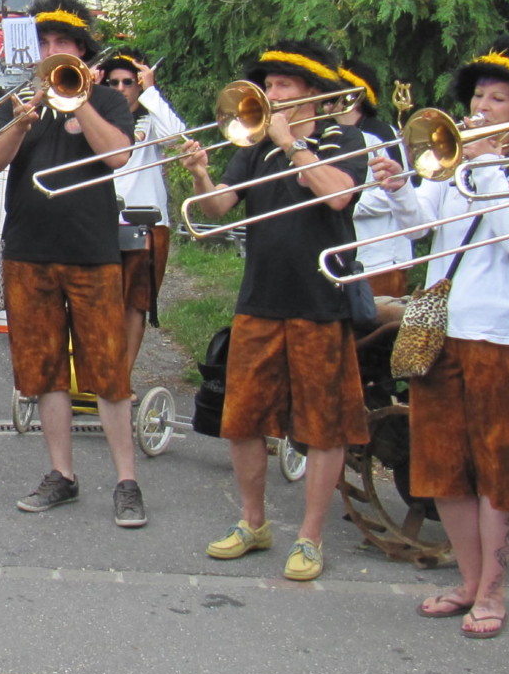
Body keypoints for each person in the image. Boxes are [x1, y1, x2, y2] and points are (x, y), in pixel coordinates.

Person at [372, 37, 509, 637]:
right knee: (442, 463)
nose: (480, 107)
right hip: (439, 325)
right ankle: (469, 581)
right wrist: (399, 189)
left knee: (502, 469)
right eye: (478, 95)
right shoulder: (452, 159)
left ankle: (494, 592)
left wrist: (484, 163)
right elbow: (422, 226)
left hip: (507, 335)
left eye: (497, 98)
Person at [181, 40, 370, 580]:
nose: (271, 93)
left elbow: (339, 196)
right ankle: (253, 522)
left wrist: (292, 145)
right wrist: (200, 174)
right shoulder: (256, 142)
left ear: (312, 91)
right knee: (242, 418)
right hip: (260, 298)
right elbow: (218, 207)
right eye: (268, 84)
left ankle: (310, 537)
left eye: (283, 84)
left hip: (321, 301)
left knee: (323, 426)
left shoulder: (342, 137)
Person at [0, 0, 144, 527]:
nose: (51, 52)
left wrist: (79, 103)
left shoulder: (106, 100)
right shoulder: (16, 103)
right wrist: (20, 123)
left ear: (81, 50)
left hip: (92, 252)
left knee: (109, 370)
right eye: (45, 43)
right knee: (46, 369)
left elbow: (118, 155)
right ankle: (62, 474)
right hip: (29, 252)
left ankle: (127, 481)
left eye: (62, 44)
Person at [99, 44, 183, 376]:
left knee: (135, 304)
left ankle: (121, 379)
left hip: (146, 222)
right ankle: (95, 375)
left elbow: (177, 139)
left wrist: (151, 92)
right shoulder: (98, 118)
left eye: (128, 82)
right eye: (113, 83)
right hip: (100, 219)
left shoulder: (151, 117)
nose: (120, 89)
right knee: (98, 301)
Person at [335, 59, 414, 302]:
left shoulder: (380, 134)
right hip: (347, 255)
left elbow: (396, 191)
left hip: (381, 259)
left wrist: (344, 201)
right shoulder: (333, 135)